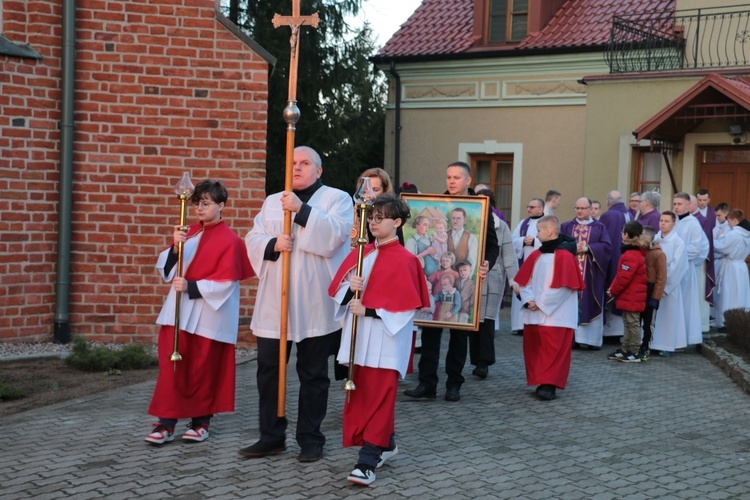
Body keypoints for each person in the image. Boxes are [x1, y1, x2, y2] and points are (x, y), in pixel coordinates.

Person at [239, 146, 353, 462]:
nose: (298, 168)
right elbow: (252, 238)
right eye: (293, 163)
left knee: (313, 374)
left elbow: (335, 238)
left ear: (319, 170)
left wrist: (302, 210)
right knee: (268, 371)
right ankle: (271, 435)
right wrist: (273, 243)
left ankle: (310, 438)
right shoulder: (271, 201)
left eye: (304, 163)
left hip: (315, 302)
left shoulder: (337, 199)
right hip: (275, 302)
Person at [328, 193, 430, 486]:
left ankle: (368, 460)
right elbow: (337, 292)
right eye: (370, 218)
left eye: (380, 218)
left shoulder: (407, 260)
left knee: (381, 397)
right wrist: (351, 288)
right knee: (361, 394)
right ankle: (388, 444)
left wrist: (370, 309)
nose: (373, 223)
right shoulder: (361, 252)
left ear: (397, 222)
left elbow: (407, 308)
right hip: (359, 338)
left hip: (386, 340)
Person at [146, 179, 254, 445]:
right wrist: (174, 247)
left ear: (221, 206)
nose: (199, 208)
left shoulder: (231, 241)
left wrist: (192, 286)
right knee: (172, 367)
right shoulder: (188, 233)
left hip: (209, 317)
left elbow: (227, 283)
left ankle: (201, 422)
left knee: (203, 369)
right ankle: (166, 423)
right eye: (197, 203)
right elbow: (167, 269)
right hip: (178, 314)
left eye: (206, 203)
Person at [404, 161, 498, 402]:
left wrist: (486, 262)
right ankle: (427, 384)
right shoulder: (436, 207)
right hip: (438, 282)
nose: (452, 181)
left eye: (457, 177)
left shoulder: (481, 208)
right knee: (431, 334)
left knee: (459, 336)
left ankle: (454, 384)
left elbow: (492, 246)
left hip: (464, 284)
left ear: (468, 181)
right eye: (448, 177)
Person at [514, 215, 585, 401]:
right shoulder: (536, 255)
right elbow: (523, 281)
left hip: (557, 315)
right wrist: (529, 299)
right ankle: (540, 381)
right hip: (535, 312)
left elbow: (564, 287)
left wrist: (540, 302)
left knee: (554, 350)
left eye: (538, 231)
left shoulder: (565, 256)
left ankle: (550, 385)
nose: (536, 234)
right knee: (535, 348)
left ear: (549, 231)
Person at [472, 188, 518, 378]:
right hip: (470, 277)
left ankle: (484, 362)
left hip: (492, 278)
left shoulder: (501, 226)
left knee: (486, 321)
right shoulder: (471, 221)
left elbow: (508, 256)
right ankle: (474, 359)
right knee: (472, 322)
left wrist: (515, 280)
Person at [561, 197, 612, 349]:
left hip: (591, 275)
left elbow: (607, 247)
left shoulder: (599, 227)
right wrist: (572, 248)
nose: (579, 211)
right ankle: (572, 339)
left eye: (583, 208)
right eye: (577, 208)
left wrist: (589, 249)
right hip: (571, 273)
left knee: (590, 301)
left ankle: (591, 341)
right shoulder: (567, 226)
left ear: (590, 209)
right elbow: (559, 245)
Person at [606, 221, 648, 363]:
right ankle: (625, 348)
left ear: (627, 235)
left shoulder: (630, 254)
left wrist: (613, 290)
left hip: (632, 294)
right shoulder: (632, 252)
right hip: (630, 295)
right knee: (628, 321)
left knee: (633, 322)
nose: (621, 235)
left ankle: (634, 350)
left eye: (623, 232)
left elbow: (624, 277)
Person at [673, 192, 708, 347]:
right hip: (671, 270)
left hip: (685, 270)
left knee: (685, 305)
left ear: (688, 206)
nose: (676, 207)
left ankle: (683, 339)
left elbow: (696, 249)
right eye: (674, 204)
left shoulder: (693, 223)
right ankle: (671, 338)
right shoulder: (672, 221)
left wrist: (676, 258)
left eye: (679, 204)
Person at [651, 211, 688, 355]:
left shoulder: (678, 242)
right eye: (661, 220)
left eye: (666, 221)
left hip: (668, 287)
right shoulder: (655, 239)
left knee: (667, 316)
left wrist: (663, 285)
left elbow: (678, 265)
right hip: (653, 283)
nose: (663, 223)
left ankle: (665, 345)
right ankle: (650, 341)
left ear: (674, 224)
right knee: (652, 316)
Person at [598, 190, 630, 339]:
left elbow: (605, 240)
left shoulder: (608, 215)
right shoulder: (628, 214)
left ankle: (609, 332)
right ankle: (618, 332)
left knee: (610, 288)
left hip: (613, 259)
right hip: (625, 258)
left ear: (607, 202)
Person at [510, 198, 545, 334]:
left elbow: (553, 241)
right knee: (522, 288)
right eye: (528, 206)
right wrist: (523, 241)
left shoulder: (547, 222)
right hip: (523, 263)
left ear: (541, 209)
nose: (528, 209)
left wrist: (535, 242)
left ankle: (535, 323)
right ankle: (520, 325)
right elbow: (512, 240)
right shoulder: (523, 223)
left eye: (532, 206)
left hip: (540, 265)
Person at [713, 210, 750, 331]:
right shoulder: (747, 234)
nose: (728, 224)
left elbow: (720, 247)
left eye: (729, 221)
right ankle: (740, 320)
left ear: (735, 220)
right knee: (739, 294)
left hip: (730, 267)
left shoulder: (734, 234)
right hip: (741, 267)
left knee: (728, 293)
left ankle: (726, 322)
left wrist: (719, 237)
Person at [637, 225, 666, 360]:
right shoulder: (639, 251)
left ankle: (646, 346)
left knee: (648, 323)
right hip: (639, 290)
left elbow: (661, 278)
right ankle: (635, 345)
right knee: (636, 321)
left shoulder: (658, 254)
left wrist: (656, 297)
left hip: (651, 290)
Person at [350, 168, 395, 248]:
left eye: (375, 190)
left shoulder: (391, 215)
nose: (369, 195)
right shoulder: (354, 212)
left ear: (384, 191)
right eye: (365, 190)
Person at [690, 194, 716, 331]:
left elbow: (704, 244)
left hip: (698, 263)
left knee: (699, 292)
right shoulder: (682, 219)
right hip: (687, 263)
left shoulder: (703, 220)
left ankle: (701, 324)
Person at [448, 207, 479, 274]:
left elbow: (471, 261)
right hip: (446, 278)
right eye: (453, 218)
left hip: (461, 278)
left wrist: (465, 280)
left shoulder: (471, 238)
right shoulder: (444, 235)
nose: (455, 221)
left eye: (458, 218)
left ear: (464, 220)